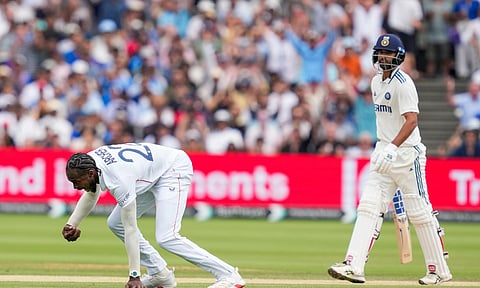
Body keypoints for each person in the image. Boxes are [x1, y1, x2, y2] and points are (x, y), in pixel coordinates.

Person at [327, 34, 452, 285]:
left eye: (389, 54)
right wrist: (385, 148)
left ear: (399, 56)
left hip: (407, 155)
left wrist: (393, 147)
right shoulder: (375, 82)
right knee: (368, 207)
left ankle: (439, 270)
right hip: (383, 153)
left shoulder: (404, 83)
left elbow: (412, 120)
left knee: (419, 212)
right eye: (381, 53)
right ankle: (354, 265)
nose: (384, 57)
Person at [62, 142, 246, 288]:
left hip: (172, 169)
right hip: (150, 175)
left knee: (167, 237)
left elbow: (131, 229)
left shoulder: (119, 180)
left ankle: (229, 275)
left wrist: (134, 275)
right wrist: (72, 223)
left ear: (91, 173)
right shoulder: (90, 161)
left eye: (76, 182)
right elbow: (92, 191)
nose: (75, 187)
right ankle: (160, 274)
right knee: (114, 222)